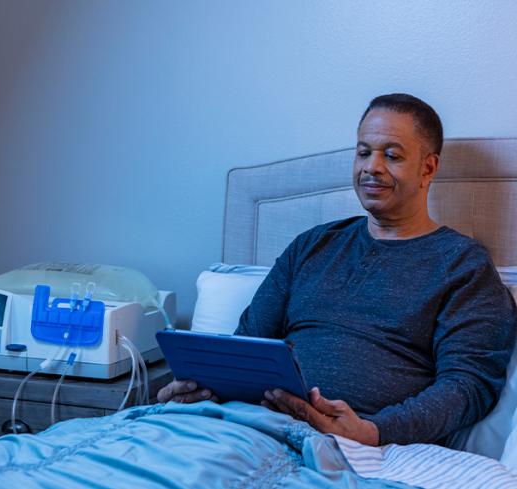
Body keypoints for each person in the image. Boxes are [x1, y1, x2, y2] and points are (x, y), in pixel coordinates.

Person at [157, 93, 516, 447]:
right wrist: (204, 388)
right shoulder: (312, 246)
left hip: (366, 445)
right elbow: (247, 345)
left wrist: (373, 431)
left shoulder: (462, 264)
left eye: (391, 155)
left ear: (428, 168)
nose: (371, 167)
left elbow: (468, 386)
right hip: (253, 426)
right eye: (363, 152)